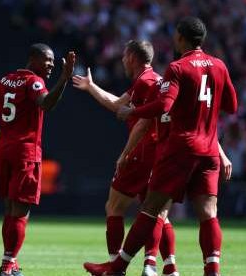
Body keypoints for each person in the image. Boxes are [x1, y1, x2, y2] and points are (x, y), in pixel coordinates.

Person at [85, 16, 237, 276]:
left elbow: (164, 106)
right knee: (208, 213)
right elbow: (231, 106)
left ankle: (119, 267)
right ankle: (211, 270)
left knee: (151, 208)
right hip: (209, 150)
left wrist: (134, 111)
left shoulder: (177, 68)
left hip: (181, 148)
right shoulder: (219, 66)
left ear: (181, 38)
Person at [0, 44, 75, 276]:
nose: (51, 65)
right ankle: (7, 265)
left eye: (53, 61)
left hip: (4, 151)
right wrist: (64, 79)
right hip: (26, 151)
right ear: (32, 59)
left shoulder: (5, 81)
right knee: (21, 211)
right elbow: (47, 104)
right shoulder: (35, 82)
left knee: (10, 209)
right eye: (48, 60)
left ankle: (9, 262)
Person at [72, 40, 178, 276]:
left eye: (123, 56)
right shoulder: (155, 80)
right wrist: (91, 87)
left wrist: (124, 154)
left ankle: (114, 266)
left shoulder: (144, 82)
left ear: (132, 57)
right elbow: (118, 105)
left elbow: (142, 122)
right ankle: (166, 266)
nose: (121, 61)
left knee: (114, 206)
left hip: (141, 152)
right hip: (161, 152)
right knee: (155, 212)